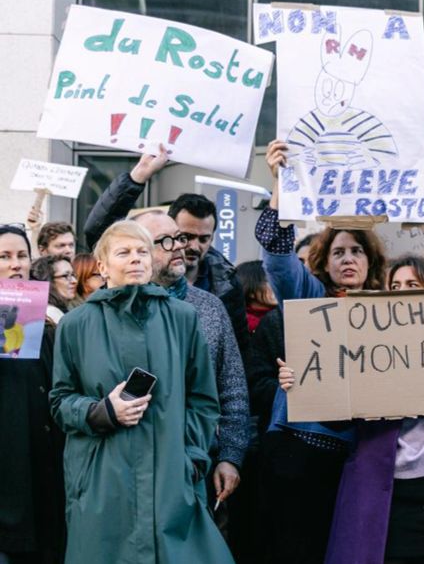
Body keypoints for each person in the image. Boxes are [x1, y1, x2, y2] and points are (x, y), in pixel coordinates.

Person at [277, 256, 424, 563]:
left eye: (412, 284)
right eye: (395, 285)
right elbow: (337, 418)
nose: (402, 291)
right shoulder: (365, 341)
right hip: (379, 491)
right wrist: (301, 382)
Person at [49, 220, 232, 564]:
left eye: (142, 251)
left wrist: (190, 460)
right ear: (102, 266)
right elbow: (60, 401)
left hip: (170, 480)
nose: (135, 258)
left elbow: (203, 399)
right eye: (124, 252)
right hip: (102, 480)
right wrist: (103, 411)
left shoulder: (183, 318)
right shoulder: (74, 325)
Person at [246, 139, 387, 563]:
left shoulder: (393, 312)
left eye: (357, 251)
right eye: (338, 252)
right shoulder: (309, 297)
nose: (348, 259)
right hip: (299, 452)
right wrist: (280, 185)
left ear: (370, 260)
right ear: (324, 262)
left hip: (360, 457)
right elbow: (276, 257)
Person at [129, 210, 249, 529]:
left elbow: (233, 389)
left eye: (178, 237)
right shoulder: (116, 310)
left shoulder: (210, 307)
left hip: (199, 465)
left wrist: (230, 456)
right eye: (165, 241)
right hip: (132, 467)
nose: (179, 247)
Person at [83, 147, 250, 356]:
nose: (190, 246)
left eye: (203, 238)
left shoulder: (225, 284)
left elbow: (235, 357)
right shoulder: (99, 311)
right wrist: (136, 179)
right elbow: (100, 234)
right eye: (184, 236)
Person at [0, 224, 64, 564]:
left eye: (22, 255)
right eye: (4, 256)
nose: (15, 264)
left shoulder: (49, 321)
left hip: (43, 474)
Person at [235, 259, 278, 334]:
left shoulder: (283, 315)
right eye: (268, 281)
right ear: (251, 290)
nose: (276, 286)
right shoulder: (239, 325)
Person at [30, 255, 75, 323]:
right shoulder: (50, 314)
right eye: (65, 276)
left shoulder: (64, 310)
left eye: (73, 275)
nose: (74, 281)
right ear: (49, 280)